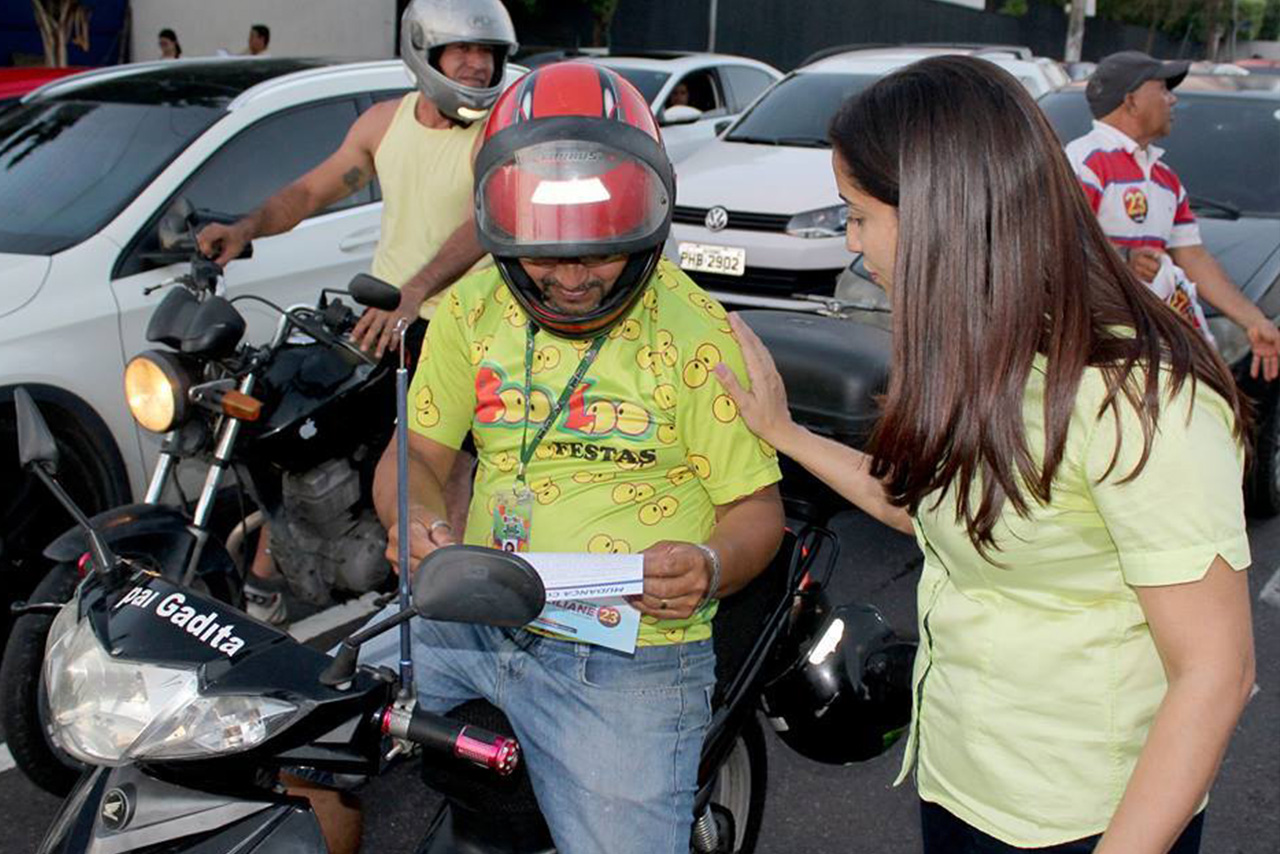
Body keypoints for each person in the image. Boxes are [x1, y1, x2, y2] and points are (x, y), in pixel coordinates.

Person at [717, 56, 1255, 853]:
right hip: (962, 785)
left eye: (858, 215)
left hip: (1089, 818)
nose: (855, 246)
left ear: (943, 215)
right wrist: (784, 432)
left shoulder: (1139, 399)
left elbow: (1216, 675)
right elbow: (929, 506)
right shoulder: (988, 355)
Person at [360, 62, 784, 854]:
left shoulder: (696, 336)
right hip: (471, 616)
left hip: (625, 659)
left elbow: (757, 512)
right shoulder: (470, 310)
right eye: (543, 261)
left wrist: (710, 562)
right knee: (298, 725)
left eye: (598, 257)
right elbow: (412, 453)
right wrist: (413, 517)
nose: (572, 281)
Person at [196, 0, 518, 622]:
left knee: (436, 467)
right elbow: (312, 190)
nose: (478, 66)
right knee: (307, 433)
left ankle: (432, 606)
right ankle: (266, 581)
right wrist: (247, 228)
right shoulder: (381, 124)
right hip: (385, 316)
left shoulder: (496, 131)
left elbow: (489, 218)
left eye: (488, 53)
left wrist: (419, 288)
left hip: (467, 327)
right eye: (464, 52)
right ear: (427, 53)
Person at [1065, 50, 1280, 381]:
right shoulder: (1085, 162)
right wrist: (1122, 258)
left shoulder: (1165, 178)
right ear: (1131, 101)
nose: (1173, 99)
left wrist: (1253, 321)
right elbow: (1060, 241)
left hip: (1152, 345)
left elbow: (1192, 256)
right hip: (1099, 350)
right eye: (1163, 89)